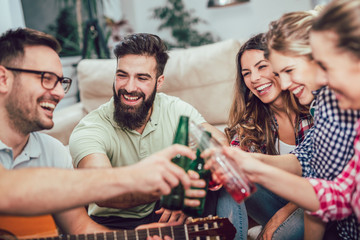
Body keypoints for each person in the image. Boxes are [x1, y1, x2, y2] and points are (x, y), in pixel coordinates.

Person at [0, 27, 199, 238]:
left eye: (61, 82)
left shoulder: (53, 153)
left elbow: (80, 228)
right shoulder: (90, 128)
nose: (59, 93)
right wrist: (138, 177)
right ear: (3, 79)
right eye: (46, 78)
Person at [213, 1, 360, 239]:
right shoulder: (322, 104)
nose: (283, 84)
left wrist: (282, 211)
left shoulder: (323, 102)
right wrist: (248, 162)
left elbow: (321, 189)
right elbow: (324, 181)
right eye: (246, 73)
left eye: (287, 71)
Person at [69, 33, 227, 229]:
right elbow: (102, 191)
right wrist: (174, 189)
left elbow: (219, 143)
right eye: (122, 75)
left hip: (163, 212)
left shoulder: (174, 108)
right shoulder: (91, 128)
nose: (129, 87)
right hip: (114, 222)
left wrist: (189, 189)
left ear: (159, 82)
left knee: (223, 188)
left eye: (142, 78)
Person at [216, 33, 312, 240]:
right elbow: (237, 155)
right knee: (230, 176)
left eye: (261, 67)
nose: (254, 78)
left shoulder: (312, 106)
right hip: (276, 202)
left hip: (315, 204)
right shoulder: (254, 118)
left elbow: (323, 177)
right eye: (246, 73)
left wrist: (281, 215)